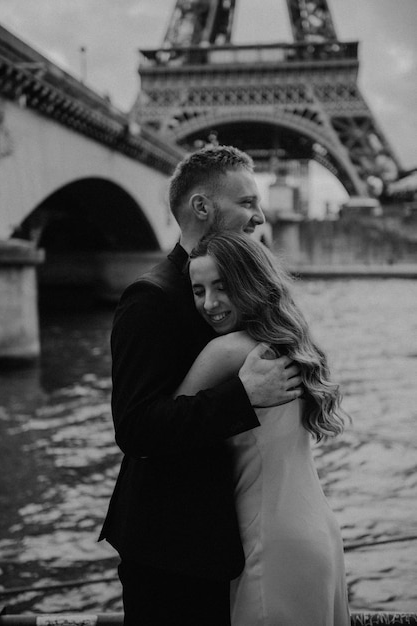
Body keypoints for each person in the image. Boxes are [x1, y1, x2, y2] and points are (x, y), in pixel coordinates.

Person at [99, 145, 303, 626]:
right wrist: (242, 397)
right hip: (172, 548)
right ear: (203, 208)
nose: (260, 214)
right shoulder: (150, 299)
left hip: (223, 539)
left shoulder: (236, 293)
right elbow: (135, 428)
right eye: (248, 202)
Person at [176, 230, 351, 626]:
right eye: (198, 290)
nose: (209, 303)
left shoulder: (225, 352)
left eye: (222, 287)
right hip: (317, 530)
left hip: (271, 543)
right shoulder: (290, 342)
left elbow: (163, 432)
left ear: (249, 283)